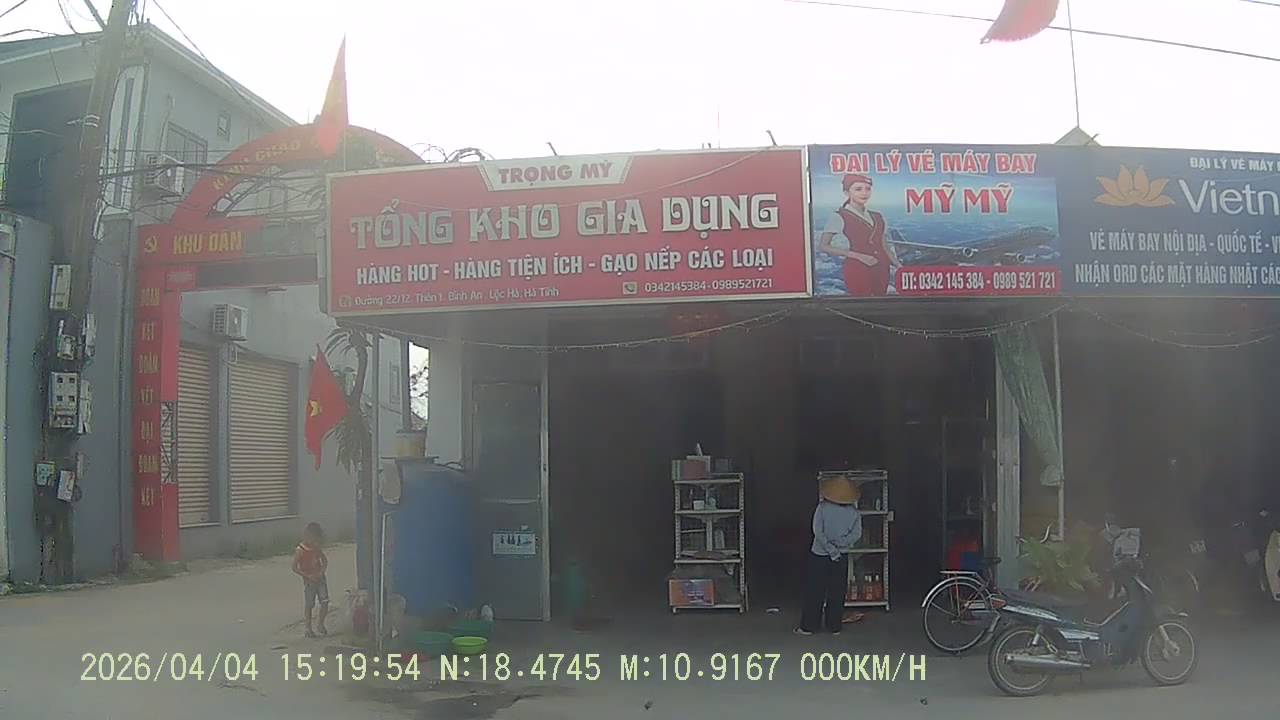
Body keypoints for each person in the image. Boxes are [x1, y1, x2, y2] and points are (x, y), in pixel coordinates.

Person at [796, 475, 863, 635]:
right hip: (841, 556)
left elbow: (817, 530)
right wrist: (840, 545)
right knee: (837, 591)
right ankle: (834, 626)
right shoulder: (854, 513)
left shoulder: (822, 508)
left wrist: (829, 547)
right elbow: (857, 534)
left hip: (819, 554)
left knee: (815, 590)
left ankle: (809, 626)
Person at [817, 173, 901, 296]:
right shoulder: (839, 216)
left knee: (880, 302)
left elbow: (884, 246)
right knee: (862, 302)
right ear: (846, 192)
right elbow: (824, 246)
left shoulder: (878, 216)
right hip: (857, 268)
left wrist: (898, 265)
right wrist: (858, 256)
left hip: (882, 268)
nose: (864, 193)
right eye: (858, 189)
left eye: (867, 189)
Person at [292, 522, 330, 638]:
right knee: (309, 604)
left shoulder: (316, 548)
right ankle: (308, 628)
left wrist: (321, 572)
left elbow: (324, 560)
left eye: (316, 539)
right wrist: (307, 576)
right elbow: (294, 567)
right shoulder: (300, 550)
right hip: (309, 581)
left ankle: (320, 624)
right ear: (307, 535)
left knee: (325, 601)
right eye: (313, 538)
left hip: (320, 579)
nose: (314, 541)